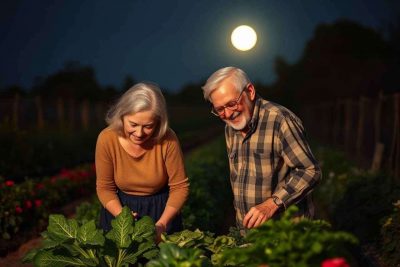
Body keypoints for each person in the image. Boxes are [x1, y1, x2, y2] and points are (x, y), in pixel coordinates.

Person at [201, 67, 321, 231]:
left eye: (231, 104)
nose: (228, 114)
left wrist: (272, 204)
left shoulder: (279, 120)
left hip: (285, 233)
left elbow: (310, 170)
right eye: (219, 109)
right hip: (248, 233)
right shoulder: (230, 128)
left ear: (250, 91)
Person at [95, 82, 189, 242]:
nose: (139, 133)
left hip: (161, 211)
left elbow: (180, 187)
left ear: (158, 123)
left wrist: (162, 224)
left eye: (148, 126)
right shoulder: (107, 139)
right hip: (119, 209)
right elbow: (105, 188)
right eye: (133, 125)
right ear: (122, 116)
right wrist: (123, 217)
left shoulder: (168, 139)